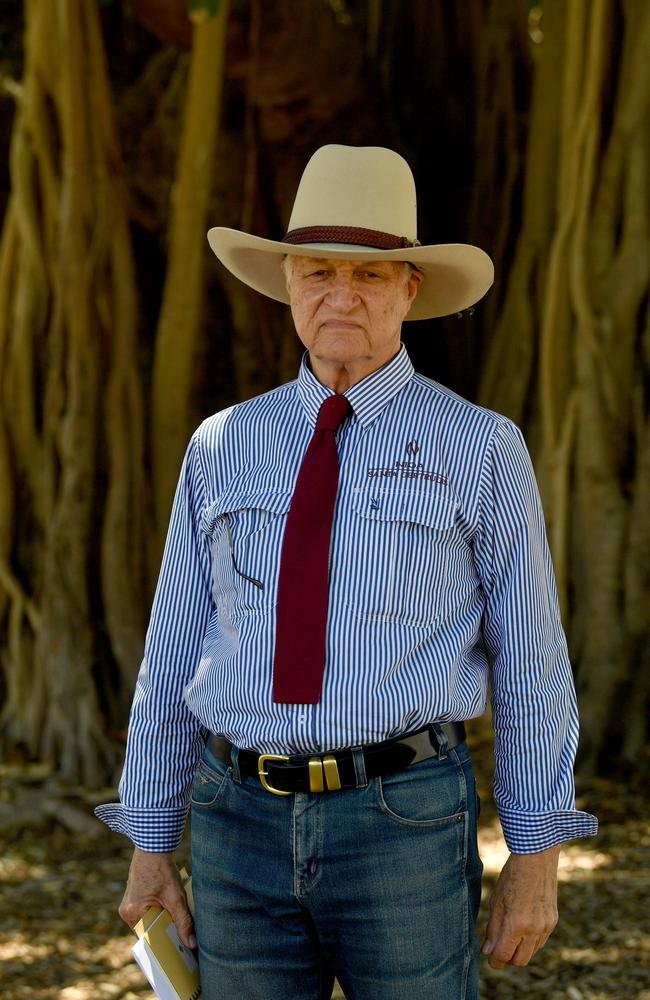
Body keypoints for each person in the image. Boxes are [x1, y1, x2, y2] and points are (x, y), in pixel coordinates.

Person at [97, 144, 597, 1000]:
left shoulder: (481, 448)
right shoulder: (223, 444)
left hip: (402, 821)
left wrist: (536, 853)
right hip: (234, 822)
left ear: (411, 290)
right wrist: (151, 837)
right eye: (319, 270)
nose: (341, 295)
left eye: (370, 275)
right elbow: (174, 651)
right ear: (287, 280)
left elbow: (532, 661)